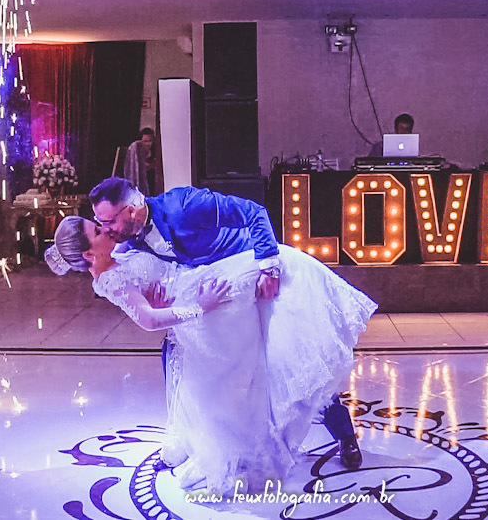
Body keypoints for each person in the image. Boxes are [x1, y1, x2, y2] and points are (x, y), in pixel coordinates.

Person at [45, 215, 376, 493]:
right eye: (98, 230)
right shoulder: (109, 280)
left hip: (204, 283)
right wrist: (198, 307)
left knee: (288, 328)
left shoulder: (123, 246)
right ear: (88, 254)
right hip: (203, 311)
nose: (107, 229)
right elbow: (148, 319)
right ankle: (240, 446)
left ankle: (343, 432)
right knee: (253, 370)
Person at [87, 177, 367, 468]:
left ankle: (346, 436)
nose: (105, 228)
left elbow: (254, 212)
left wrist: (269, 269)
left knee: (297, 360)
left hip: (256, 276)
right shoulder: (129, 238)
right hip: (223, 297)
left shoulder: (184, 205)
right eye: (99, 222)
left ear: (131, 210)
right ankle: (197, 439)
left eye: (108, 221)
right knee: (181, 355)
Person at [117, 128, 155, 195]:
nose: (148, 144)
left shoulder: (155, 152)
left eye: (150, 141)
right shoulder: (136, 153)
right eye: (145, 141)